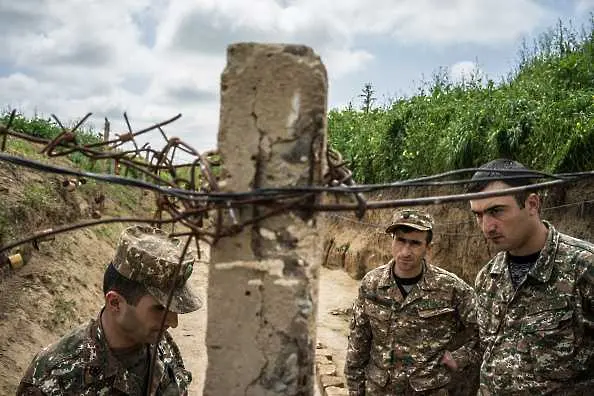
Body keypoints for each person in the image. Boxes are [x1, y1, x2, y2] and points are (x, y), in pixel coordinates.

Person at [16, 225, 203, 395]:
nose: (173, 323)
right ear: (115, 303)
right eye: (160, 309)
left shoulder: (159, 342)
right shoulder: (54, 380)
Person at [467, 158, 594, 395]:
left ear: (532, 204)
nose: (487, 227)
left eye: (496, 211)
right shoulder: (487, 279)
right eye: (478, 215)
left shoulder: (583, 268)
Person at [344, 209, 479, 395]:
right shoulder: (372, 285)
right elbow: (358, 344)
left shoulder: (452, 288)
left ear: (428, 247)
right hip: (380, 390)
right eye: (400, 240)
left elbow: (486, 330)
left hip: (429, 390)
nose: (406, 251)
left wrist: (461, 357)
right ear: (392, 241)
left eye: (415, 243)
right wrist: (355, 390)